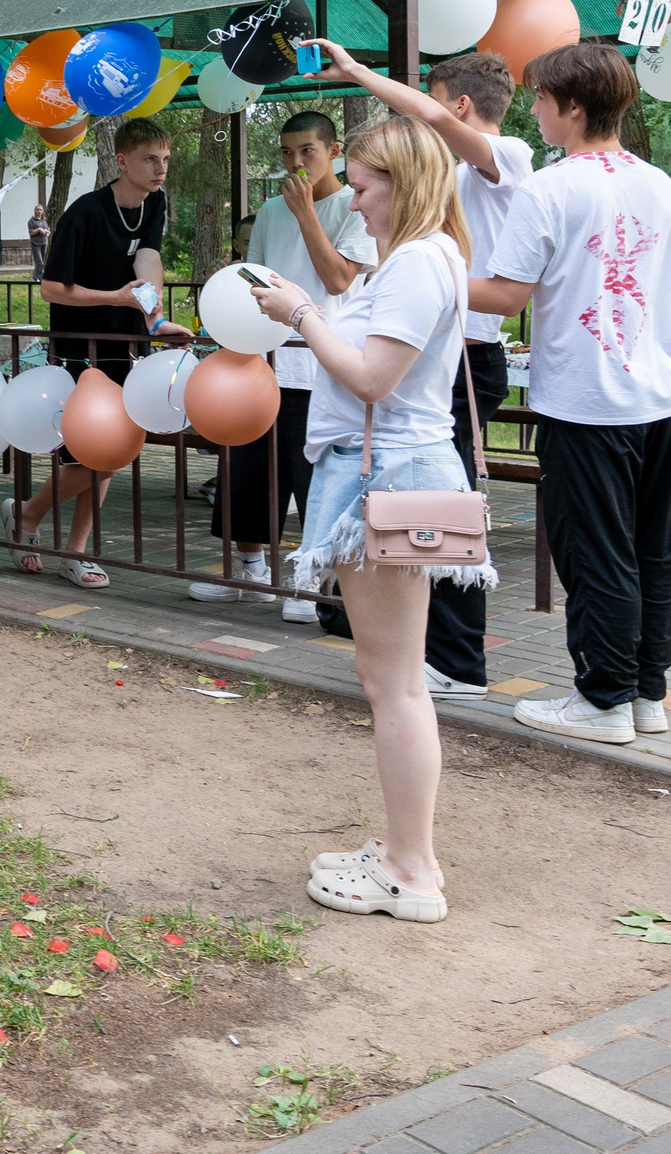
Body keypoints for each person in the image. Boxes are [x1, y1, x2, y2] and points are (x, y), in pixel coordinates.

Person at [246, 115, 484, 924]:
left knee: (395, 684)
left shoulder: (419, 261)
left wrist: (299, 316)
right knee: (391, 679)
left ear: (404, 181)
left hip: (383, 475)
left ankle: (410, 870)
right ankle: (403, 852)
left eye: (363, 180)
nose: (352, 193)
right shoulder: (420, 258)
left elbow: (375, 377)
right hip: (379, 472)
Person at [468, 42, 671, 746]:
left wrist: (426, 269)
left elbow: (504, 298)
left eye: (539, 99)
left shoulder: (551, 187)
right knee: (651, 551)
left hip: (588, 403)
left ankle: (601, 697)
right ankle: (644, 691)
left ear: (572, 106)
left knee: (597, 554)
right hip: (662, 396)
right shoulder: (662, 185)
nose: (532, 110)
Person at [315, 43, 536, 695]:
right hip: (441, 350)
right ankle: (415, 646)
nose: (422, 119)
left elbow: (433, 126)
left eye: (431, 104)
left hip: (465, 355)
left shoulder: (510, 156)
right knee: (425, 509)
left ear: (460, 106)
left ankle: (457, 660)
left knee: (441, 509)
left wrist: (358, 74)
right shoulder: (441, 196)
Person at [197, 111, 375, 616]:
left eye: (308, 151)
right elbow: (250, 281)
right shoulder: (272, 211)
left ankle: (314, 585)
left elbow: (340, 280)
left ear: (333, 152)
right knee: (248, 471)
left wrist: (307, 215)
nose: (295, 163)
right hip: (261, 361)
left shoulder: (354, 206)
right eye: (286, 153)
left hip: (321, 365)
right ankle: (248, 571)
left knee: (311, 478)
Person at [7, 120, 193, 587]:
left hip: (121, 346)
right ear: (123, 161)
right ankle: (27, 516)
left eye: (166, 160)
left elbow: (147, 259)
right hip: (77, 349)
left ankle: (73, 550)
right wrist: (114, 298)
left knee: (110, 451)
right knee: (86, 455)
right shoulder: (83, 213)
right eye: (151, 159)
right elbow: (51, 289)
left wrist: (155, 320)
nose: (161, 169)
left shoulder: (155, 204)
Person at [27, 203, 49, 282]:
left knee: (41, 262)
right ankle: (40, 278)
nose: (39, 211)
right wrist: (39, 229)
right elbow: (31, 233)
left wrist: (46, 231)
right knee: (39, 262)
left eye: (40, 210)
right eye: (37, 210)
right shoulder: (31, 221)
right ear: (35, 211)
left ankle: (34, 277)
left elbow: (48, 230)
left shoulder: (44, 220)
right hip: (35, 243)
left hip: (44, 243)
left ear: (43, 211)